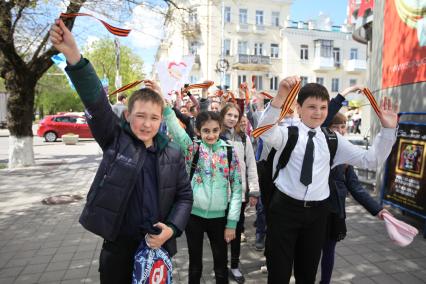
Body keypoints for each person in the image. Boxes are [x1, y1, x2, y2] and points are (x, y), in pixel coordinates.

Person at [49, 19, 193, 283]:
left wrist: (171, 229)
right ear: (127, 116)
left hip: (157, 248)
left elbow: (185, 197)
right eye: (140, 116)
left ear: (161, 120)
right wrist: (74, 57)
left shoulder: (172, 153)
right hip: (117, 249)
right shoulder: (115, 139)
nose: (147, 124)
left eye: (153, 117)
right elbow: (97, 102)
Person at [257, 77, 398, 284]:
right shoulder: (288, 133)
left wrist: (387, 131)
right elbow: (265, 131)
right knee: (278, 274)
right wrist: (279, 97)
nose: (318, 112)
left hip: (317, 214)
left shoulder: (333, 140)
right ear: (298, 108)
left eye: (323, 107)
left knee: (307, 274)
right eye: (311, 107)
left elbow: (372, 159)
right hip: (284, 210)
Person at [163, 106, 243, 284]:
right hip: (194, 217)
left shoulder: (229, 151)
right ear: (198, 131)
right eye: (206, 131)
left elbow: (237, 190)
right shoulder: (193, 149)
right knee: (195, 265)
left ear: (220, 129)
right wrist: (165, 106)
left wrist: (232, 223)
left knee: (221, 266)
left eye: (215, 130)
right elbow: (176, 131)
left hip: (220, 219)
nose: (211, 135)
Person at [320, 112, 391, 284]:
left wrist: (378, 209)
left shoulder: (346, 153)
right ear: (326, 128)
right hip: (314, 211)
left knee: (329, 251)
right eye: (335, 127)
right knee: (309, 252)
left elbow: (355, 187)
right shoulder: (318, 147)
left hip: (334, 211)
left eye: (343, 127)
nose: (339, 131)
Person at [219, 103, 259, 283]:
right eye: (229, 114)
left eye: (235, 116)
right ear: (222, 115)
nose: (232, 118)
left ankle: (234, 266)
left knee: (235, 232)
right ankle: (220, 266)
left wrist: (254, 191)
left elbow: (251, 165)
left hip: (238, 195)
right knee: (219, 234)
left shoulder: (244, 138)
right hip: (218, 195)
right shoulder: (215, 135)